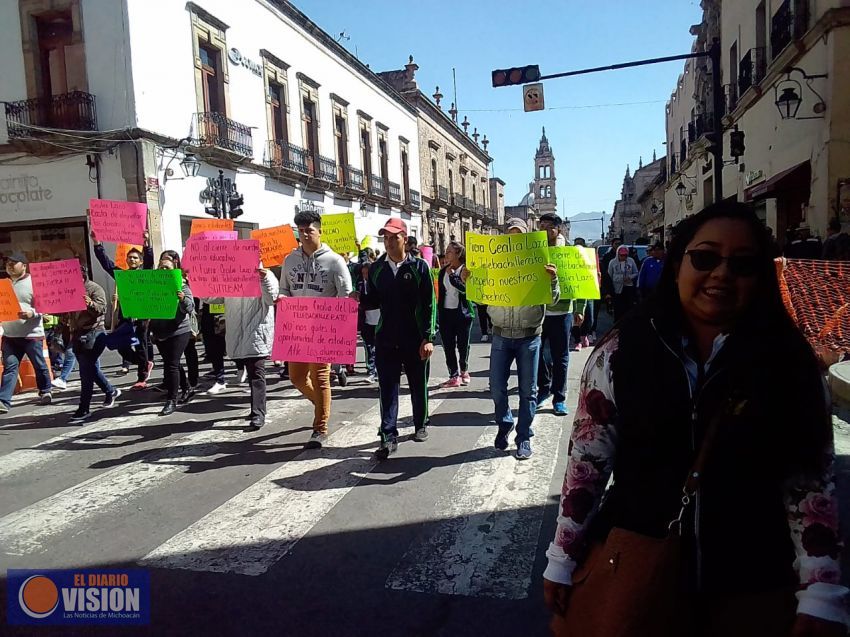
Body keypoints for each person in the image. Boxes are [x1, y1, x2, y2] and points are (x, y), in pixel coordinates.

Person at [543, 202, 848, 637]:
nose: (722, 274)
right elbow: (587, 468)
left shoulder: (791, 366)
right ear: (677, 264)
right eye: (705, 258)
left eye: (743, 264)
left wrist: (821, 591)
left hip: (754, 581)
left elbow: (811, 482)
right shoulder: (620, 353)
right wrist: (562, 556)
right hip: (635, 566)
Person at [467, 217, 559, 460]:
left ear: (526, 238)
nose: (514, 239)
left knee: (528, 391)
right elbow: (479, 300)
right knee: (497, 388)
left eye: (519, 235)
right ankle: (505, 422)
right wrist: (470, 282)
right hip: (500, 336)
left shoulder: (538, 262)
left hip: (529, 338)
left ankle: (524, 437)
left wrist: (553, 280)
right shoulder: (494, 266)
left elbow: (553, 300)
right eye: (510, 235)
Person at [359, 217, 435, 459]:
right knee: (388, 388)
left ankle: (420, 422)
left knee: (417, 385)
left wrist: (428, 336)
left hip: (415, 338)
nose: (390, 242)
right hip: (386, 338)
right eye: (386, 238)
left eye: (394, 237)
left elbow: (429, 304)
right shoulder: (377, 269)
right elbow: (372, 301)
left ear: (405, 239)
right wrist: (356, 296)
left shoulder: (420, 267)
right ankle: (388, 435)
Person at [280, 209, 353, 449]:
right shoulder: (290, 260)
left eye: (309, 230)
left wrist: (341, 329)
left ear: (319, 231)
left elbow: (345, 297)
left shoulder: (335, 261)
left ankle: (319, 427)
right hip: (297, 329)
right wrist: (281, 298)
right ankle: (322, 404)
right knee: (297, 377)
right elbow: (284, 289)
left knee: (320, 377)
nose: (305, 235)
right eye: (300, 231)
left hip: (324, 329)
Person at [91, 231, 155, 388]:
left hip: (142, 316)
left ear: (140, 262)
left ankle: (142, 378)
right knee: (121, 345)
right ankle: (144, 363)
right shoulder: (122, 275)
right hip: (126, 316)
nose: (132, 259)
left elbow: (149, 262)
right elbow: (106, 264)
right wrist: (97, 243)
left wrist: (146, 244)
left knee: (141, 345)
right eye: (130, 257)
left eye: (135, 258)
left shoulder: (145, 275)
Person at [537, 213, 585, 417]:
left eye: (548, 227)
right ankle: (544, 387)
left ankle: (559, 398)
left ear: (559, 229)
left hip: (563, 311)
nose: (544, 230)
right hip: (538, 311)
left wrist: (580, 308)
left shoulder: (570, 252)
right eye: (541, 226)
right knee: (536, 353)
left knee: (561, 356)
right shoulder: (535, 251)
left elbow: (580, 281)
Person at [225, 267, 279, 431]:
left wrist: (264, 279)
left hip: (257, 333)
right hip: (237, 332)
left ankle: (258, 413)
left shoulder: (267, 275)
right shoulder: (230, 275)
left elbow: (272, 299)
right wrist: (201, 282)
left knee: (256, 374)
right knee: (251, 374)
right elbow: (212, 298)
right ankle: (256, 409)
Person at [0, 252, 53, 412]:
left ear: (24, 266)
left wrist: (33, 313)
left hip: (32, 335)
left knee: (39, 365)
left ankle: (45, 390)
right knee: (10, 367)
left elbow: (46, 305)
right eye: (8, 263)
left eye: (13, 263)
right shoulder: (4, 285)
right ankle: (3, 400)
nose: (9, 266)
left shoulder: (34, 283)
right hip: (10, 335)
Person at [68, 265, 120, 423]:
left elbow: (102, 309)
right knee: (91, 368)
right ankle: (110, 391)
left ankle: (84, 408)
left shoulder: (95, 289)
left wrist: (89, 303)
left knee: (86, 371)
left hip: (94, 334)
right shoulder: (69, 290)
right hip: (76, 335)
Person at [148, 251, 195, 416]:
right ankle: (187, 388)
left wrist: (182, 299)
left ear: (175, 268)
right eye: (161, 267)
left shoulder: (182, 286)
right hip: (160, 330)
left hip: (179, 330)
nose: (163, 271)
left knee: (172, 365)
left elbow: (190, 308)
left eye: (167, 268)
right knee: (171, 362)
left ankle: (171, 400)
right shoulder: (153, 286)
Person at [438, 241, 475, 388]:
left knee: (463, 344)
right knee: (448, 345)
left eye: (449, 252)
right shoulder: (443, 271)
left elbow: (465, 290)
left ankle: (464, 370)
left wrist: (453, 277)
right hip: (446, 313)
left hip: (463, 314)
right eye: (446, 251)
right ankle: (453, 375)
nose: (446, 254)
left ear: (458, 254)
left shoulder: (466, 270)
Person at [607, 245, 638, 322]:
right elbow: (609, 275)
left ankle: (628, 323)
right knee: (618, 308)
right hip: (617, 288)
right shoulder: (612, 262)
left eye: (625, 255)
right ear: (618, 254)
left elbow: (636, 272)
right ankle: (617, 324)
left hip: (628, 287)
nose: (623, 257)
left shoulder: (631, 261)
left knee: (629, 307)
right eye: (621, 255)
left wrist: (630, 277)